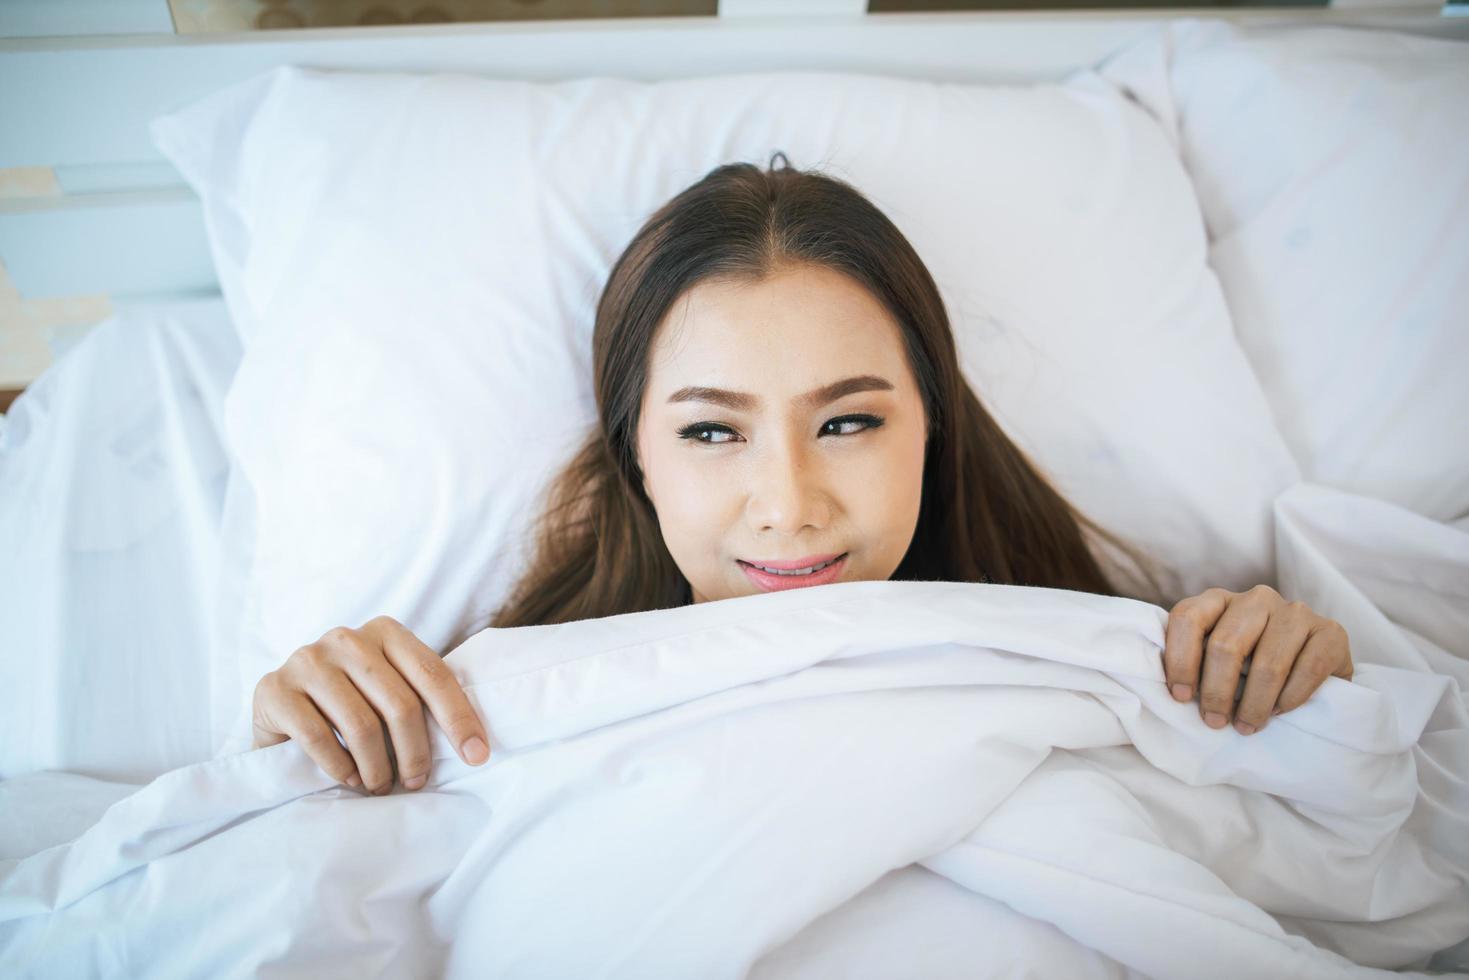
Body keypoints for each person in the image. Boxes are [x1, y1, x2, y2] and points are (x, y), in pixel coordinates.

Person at [250, 155, 1354, 796]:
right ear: (635, 455)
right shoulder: (499, 703)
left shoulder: (1122, 671)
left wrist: (1300, 683)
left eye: (848, 420)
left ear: (932, 424)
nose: (788, 503)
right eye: (712, 433)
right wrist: (296, 731)